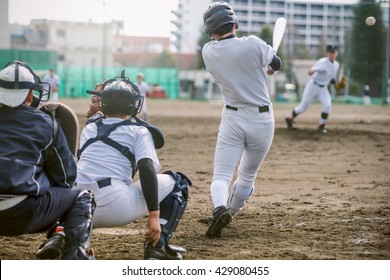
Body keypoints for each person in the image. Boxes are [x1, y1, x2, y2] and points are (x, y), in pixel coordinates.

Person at [39, 72, 191, 260]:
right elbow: (146, 169)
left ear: (103, 103)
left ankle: (62, 233)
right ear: (133, 104)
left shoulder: (90, 127)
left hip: (77, 205)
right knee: (179, 182)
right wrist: (153, 213)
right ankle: (157, 247)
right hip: (114, 204)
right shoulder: (139, 130)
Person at [0, 60, 95, 260]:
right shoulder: (46, 123)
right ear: (29, 95)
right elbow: (66, 178)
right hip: (22, 212)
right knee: (81, 195)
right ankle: (75, 254)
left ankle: (57, 234)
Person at [202, 2, 281, 238]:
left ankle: (219, 208)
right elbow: (276, 64)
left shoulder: (208, 51)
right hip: (262, 120)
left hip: (232, 118)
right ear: (234, 24)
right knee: (247, 176)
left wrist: (265, 65)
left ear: (211, 32)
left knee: (221, 175)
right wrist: (271, 66)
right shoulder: (254, 43)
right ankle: (231, 213)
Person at [285, 45, 346, 133]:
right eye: (330, 52)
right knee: (303, 107)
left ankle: (321, 125)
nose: (332, 54)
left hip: (323, 88)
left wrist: (336, 84)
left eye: (333, 52)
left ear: (337, 53)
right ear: (327, 53)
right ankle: (290, 118)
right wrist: (311, 71)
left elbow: (330, 78)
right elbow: (312, 70)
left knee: (327, 105)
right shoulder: (322, 62)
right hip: (313, 86)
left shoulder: (336, 65)